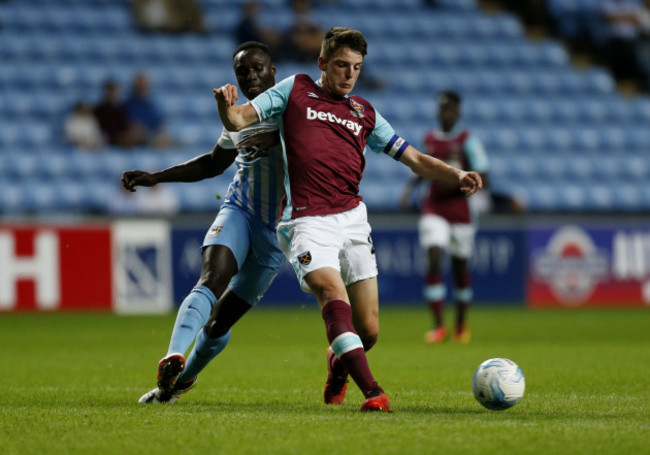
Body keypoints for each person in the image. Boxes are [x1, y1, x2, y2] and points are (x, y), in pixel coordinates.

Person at [213, 27, 483, 412]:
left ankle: (337, 366)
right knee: (331, 295)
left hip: (353, 220)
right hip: (307, 222)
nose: (349, 74)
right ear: (322, 63)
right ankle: (374, 392)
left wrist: (457, 175)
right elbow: (239, 118)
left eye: (356, 67)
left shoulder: (365, 112)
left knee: (368, 330)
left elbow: (416, 160)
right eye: (341, 65)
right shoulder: (295, 89)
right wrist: (225, 106)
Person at [123, 42, 286, 404]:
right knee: (211, 278)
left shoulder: (294, 108)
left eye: (258, 68)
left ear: (273, 69)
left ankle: (178, 382)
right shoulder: (237, 117)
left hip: (277, 234)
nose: (251, 75)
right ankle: (174, 355)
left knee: (218, 325)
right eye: (243, 71)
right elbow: (213, 164)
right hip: (239, 211)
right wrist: (155, 177)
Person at [400, 91, 489, 345]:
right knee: (434, 256)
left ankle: (461, 323)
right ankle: (439, 326)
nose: (445, 113)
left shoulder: (468, 141)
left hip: (461, 211)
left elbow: (484, 176)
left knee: (460, 267)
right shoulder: (429, 139)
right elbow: (424, 167)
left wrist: (454, 180)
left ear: (458, 112)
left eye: (449, 109)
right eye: (442, 109)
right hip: (434, 208)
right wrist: (409, 190)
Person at [123, 72, 172, 148]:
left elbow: (159, 125)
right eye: (139, 86)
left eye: (144, 86)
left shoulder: (153, 105)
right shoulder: (127, 106)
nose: (142, 88)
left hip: (150, 137)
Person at [93, 80, 135, 147]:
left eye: (114, 91)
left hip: (121, 138)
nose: (112, 94)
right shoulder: (99, 109)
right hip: (105, 139)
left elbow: (125, 125)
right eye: (110, 91)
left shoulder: (122, 109)